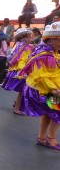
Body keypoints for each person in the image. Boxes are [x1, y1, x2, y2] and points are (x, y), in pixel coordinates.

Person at [18, 22, 60, 150]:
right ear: (52, 39)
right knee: (57, 111)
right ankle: (51, 138)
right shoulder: (43, 54)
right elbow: (39, 74)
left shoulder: (52, 52)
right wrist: (54, 89)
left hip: (51, 89)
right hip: (48, 90)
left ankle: (42, 138)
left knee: (49, 112)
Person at [2, 28, 34, 115]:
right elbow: (22, 60)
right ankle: (16, 108)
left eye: (30, 37)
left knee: (23, 90)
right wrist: (22, 72)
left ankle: (16, 103)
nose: (30, 38)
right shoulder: (26, 47)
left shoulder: (17, 45)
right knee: (23, 90)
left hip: (14, 70)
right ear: (21, 38)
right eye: (28, 37)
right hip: (20, 71)